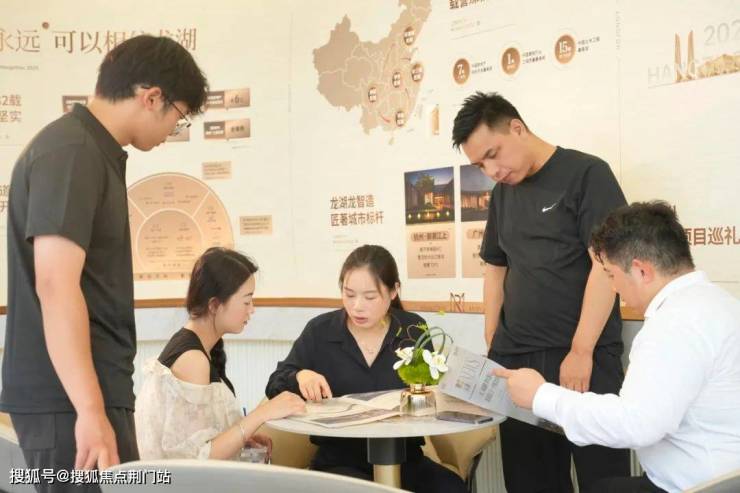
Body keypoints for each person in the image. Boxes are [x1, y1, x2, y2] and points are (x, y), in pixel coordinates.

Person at [1, 34, 208, 491]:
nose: (172, 130)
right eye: (177, 117)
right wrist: (91, 411)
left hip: (84, 393)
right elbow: (55, 284)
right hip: (69, 400)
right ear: (151, 97)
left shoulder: (89, 150)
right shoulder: (72, 152)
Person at [452, 91, 630, 492]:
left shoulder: (587, 174)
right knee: (530, 483)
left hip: (583, 357)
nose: (492, 170)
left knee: (606, 480)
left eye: (493, 154)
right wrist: (492, 339)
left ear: (517, 128)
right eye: (480, 164)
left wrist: (581, 350)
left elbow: (605, 266)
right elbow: (495, 267)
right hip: (518, 361)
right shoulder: (502, 194)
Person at [496, 201, 740, 493]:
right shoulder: (719, 303)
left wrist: (540, 396)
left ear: (641, 271)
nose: (613, 288)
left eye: (611, 275)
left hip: (698, 486)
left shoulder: (674, 325)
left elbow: (636, 424)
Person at [265, 245, 466, 493]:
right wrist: (300, 376)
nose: (357, 306)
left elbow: (431, 388)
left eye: (370, 297)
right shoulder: (320, 331)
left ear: (394, 291)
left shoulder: (412, 329)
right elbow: (274, 385)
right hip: (339, 462)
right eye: (349, 295)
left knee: (451, 488)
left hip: (405, 459)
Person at [135, 247, 305, 460]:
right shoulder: (193, 360)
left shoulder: (197, 347)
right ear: (215, 305)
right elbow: (199, 460)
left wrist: (243, 439)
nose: (252, 309)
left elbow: (200, 440)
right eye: (246, 301)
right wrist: (262, 414)